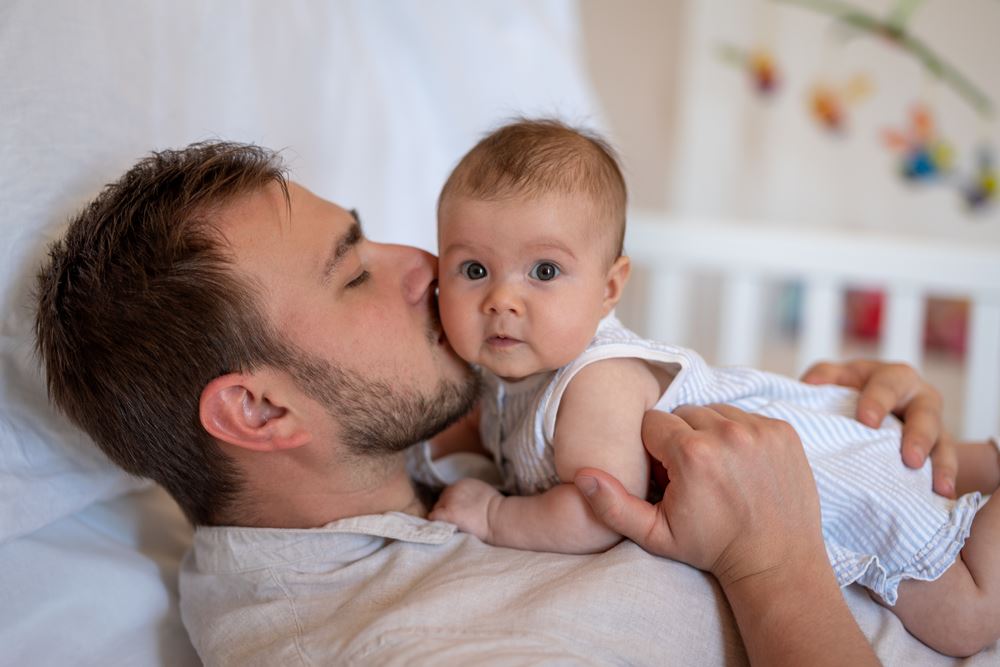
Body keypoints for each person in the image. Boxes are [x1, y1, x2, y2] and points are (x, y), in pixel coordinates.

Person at [32, 140, 964, 664]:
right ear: (262, 412)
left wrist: (849, 435)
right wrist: (776, 567)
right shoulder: (405, 646)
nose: (424, 268)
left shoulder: (436, 459)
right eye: (354, 274)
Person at [427, 119, 1000, 657]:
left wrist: (496, 517)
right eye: (474, 270)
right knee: (942, 468)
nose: (501, 299)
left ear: (608, 289)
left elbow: (599, 512)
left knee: (966, 616)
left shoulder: (593, 384)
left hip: (813, 479)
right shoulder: (507, 381)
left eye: (544, 272)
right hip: (802, 447)